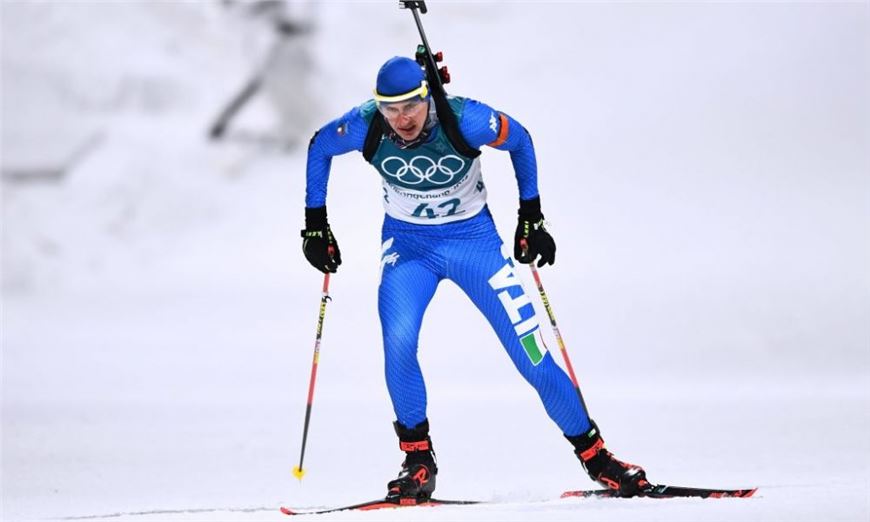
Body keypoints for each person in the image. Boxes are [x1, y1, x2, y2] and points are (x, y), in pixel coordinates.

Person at [300, 56, 648, 499]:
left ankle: (599, 459)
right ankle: (418, 462)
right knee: (399, 344)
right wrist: (315, 224)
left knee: (531, 356)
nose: (401, 119)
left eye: (410, 105)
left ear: (427, 96)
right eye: (390, 109)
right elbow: (319, 146)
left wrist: (531, 217)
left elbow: (519, 139)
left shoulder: (466, 118)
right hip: (409, 250)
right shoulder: (366, 124)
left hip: (475, 246)